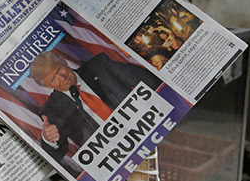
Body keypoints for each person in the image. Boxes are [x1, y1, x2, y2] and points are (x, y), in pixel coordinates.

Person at [28, 51, 161, 163]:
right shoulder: (51, 110)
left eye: (59, 70)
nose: (62, 77)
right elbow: (56, 155)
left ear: (64, 62)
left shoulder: (99, 66)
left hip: (153, 130)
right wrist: (48, 139)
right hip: (119, 157)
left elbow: (148, 80)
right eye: (53, 79)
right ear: (47, 86)